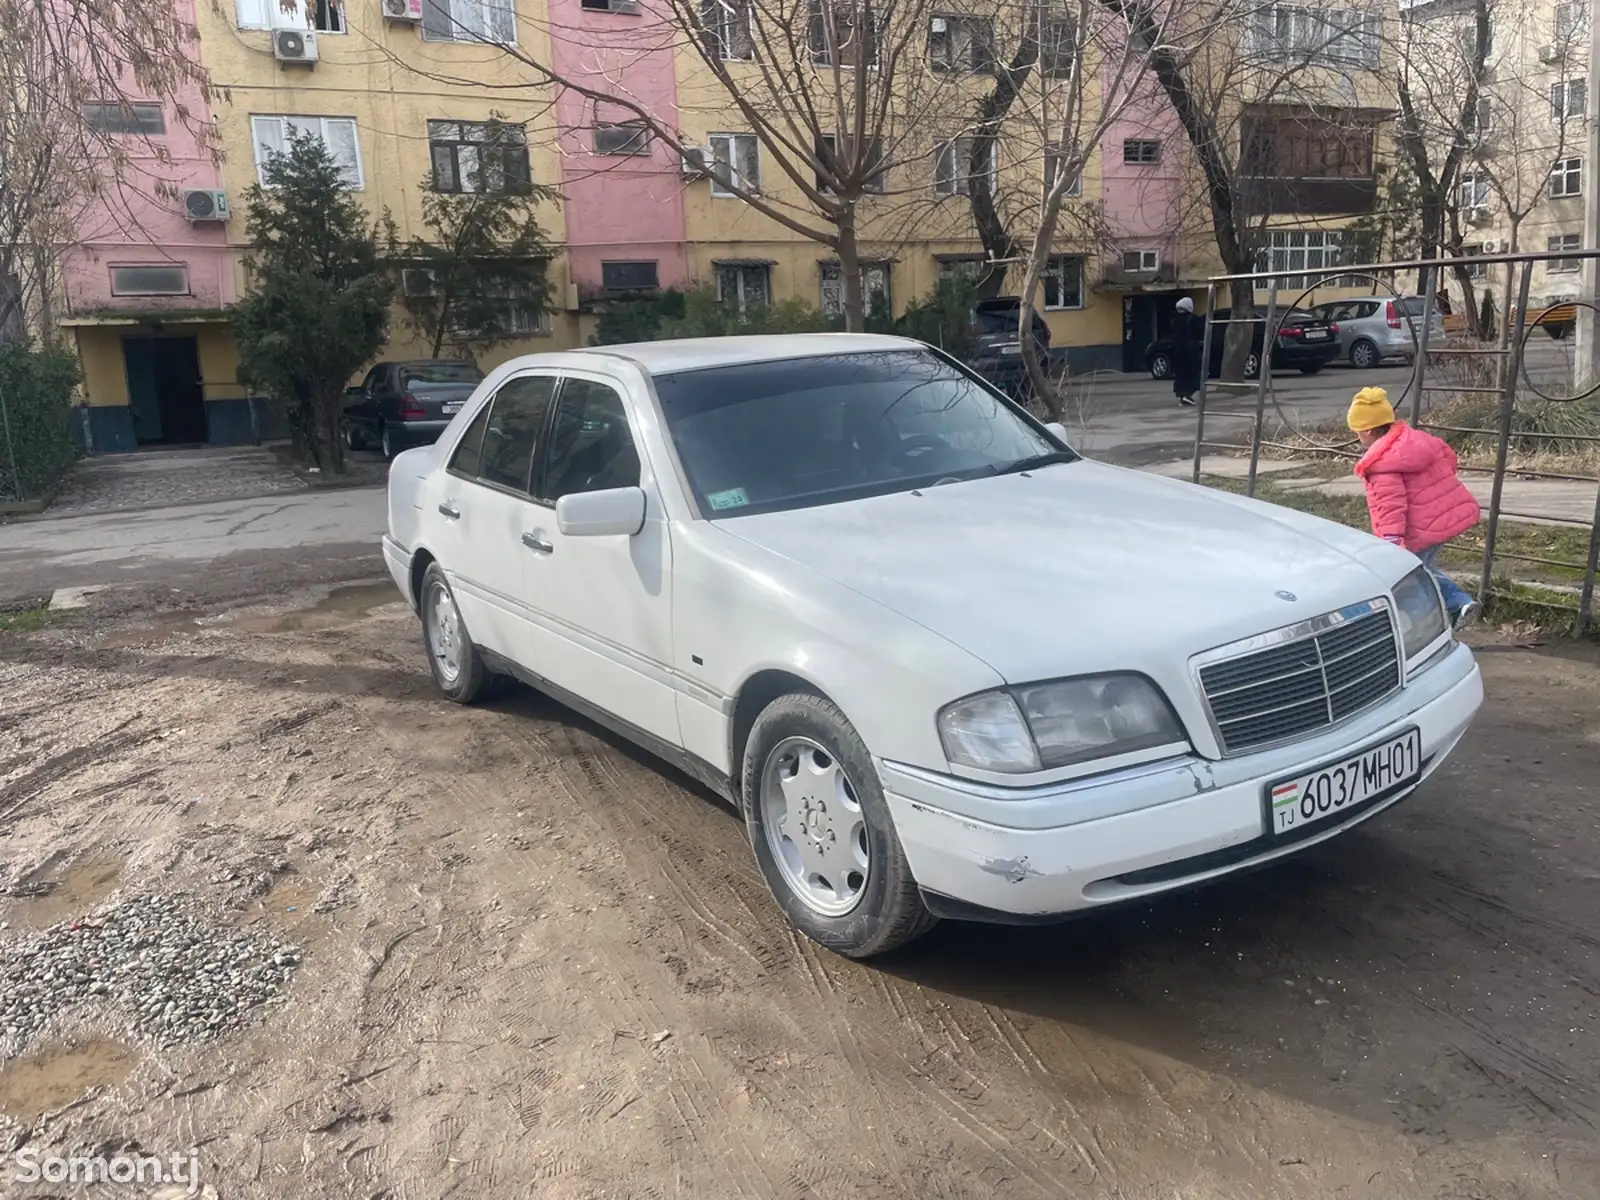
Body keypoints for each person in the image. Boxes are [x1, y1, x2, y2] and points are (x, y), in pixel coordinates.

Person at [1348, 386, 1481, 628]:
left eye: (1357, 432)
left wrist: (1391, 540)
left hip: (1417, 530)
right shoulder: (1416, 439)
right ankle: (1457, 605)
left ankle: (1438, 618)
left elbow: (1390, 506)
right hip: (1442, 519)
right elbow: (1449, 459)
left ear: (1367, 431)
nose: (1358, 437)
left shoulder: (1381, 465)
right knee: (1424, 569)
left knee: (1411, 579)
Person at [1170, 296, 1202, 407]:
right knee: (1191, 374)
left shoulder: (1175, 320)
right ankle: (1187, 395)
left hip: (1178, 353)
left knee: (1181, 375)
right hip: (1190, 352)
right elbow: (1199, 332)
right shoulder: (1192, 319)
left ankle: (1183, 395)